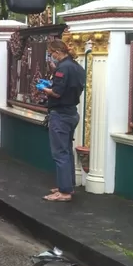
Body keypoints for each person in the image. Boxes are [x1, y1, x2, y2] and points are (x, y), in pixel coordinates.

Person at [39, 40, 86, 202]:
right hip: (72, 113)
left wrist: (44, 89)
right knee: (66, 150)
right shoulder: (77, 67)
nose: (51, 57)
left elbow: (57, 93)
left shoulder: (62, 68)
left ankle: (64, 191)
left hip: (60, 114)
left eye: (51, 53)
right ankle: (67, 185)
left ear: (57, 52)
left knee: (60, 153)